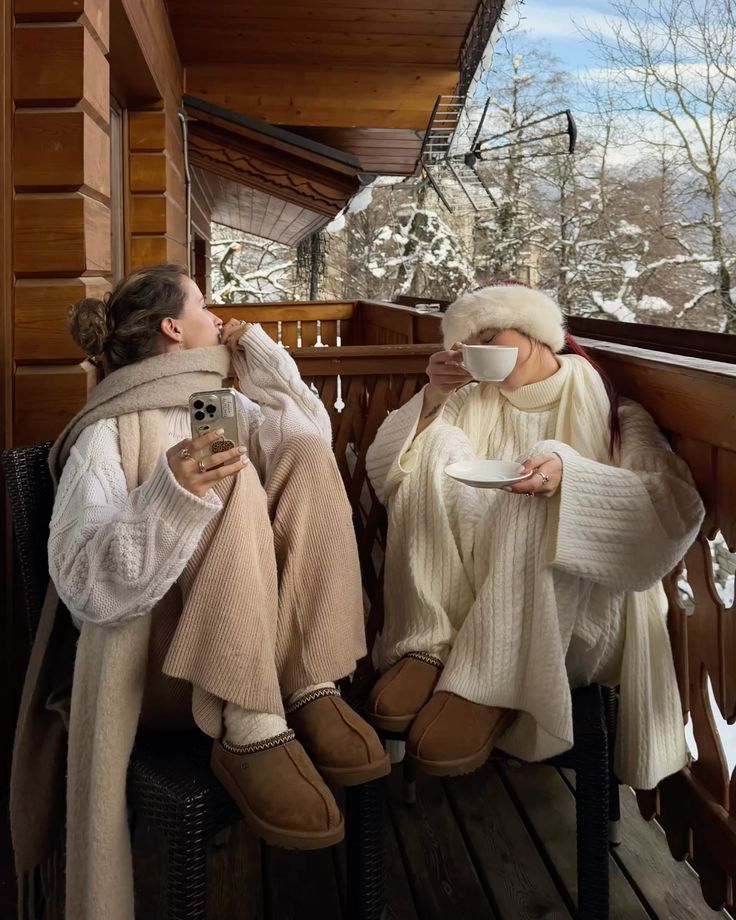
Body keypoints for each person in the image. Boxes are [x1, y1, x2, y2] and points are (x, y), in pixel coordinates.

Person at [11, 264, 388, 920]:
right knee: (226, 470)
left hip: (260, 647)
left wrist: (258, 353)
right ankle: (250, 725)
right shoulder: (108, 431)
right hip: (162, 670)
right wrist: (171, 495)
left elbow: (314, 442)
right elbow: (82, 585)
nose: (218, 318)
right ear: (172, 328)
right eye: (205, 307)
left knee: (294, 449)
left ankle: (309, 683)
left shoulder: (221, 402)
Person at [364, 281, 704, 790]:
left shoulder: (612, 411)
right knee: (435, 446)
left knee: (546, 466)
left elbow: (675, 507)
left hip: (574, 619)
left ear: (536, 334)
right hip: (464, 605)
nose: (479, 350)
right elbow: (385, 473)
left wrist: (570, 478)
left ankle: (490, 686)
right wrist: (434, 396)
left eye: (492, 334)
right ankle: (426, 647)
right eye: (470, 340)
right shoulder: (465, 402)